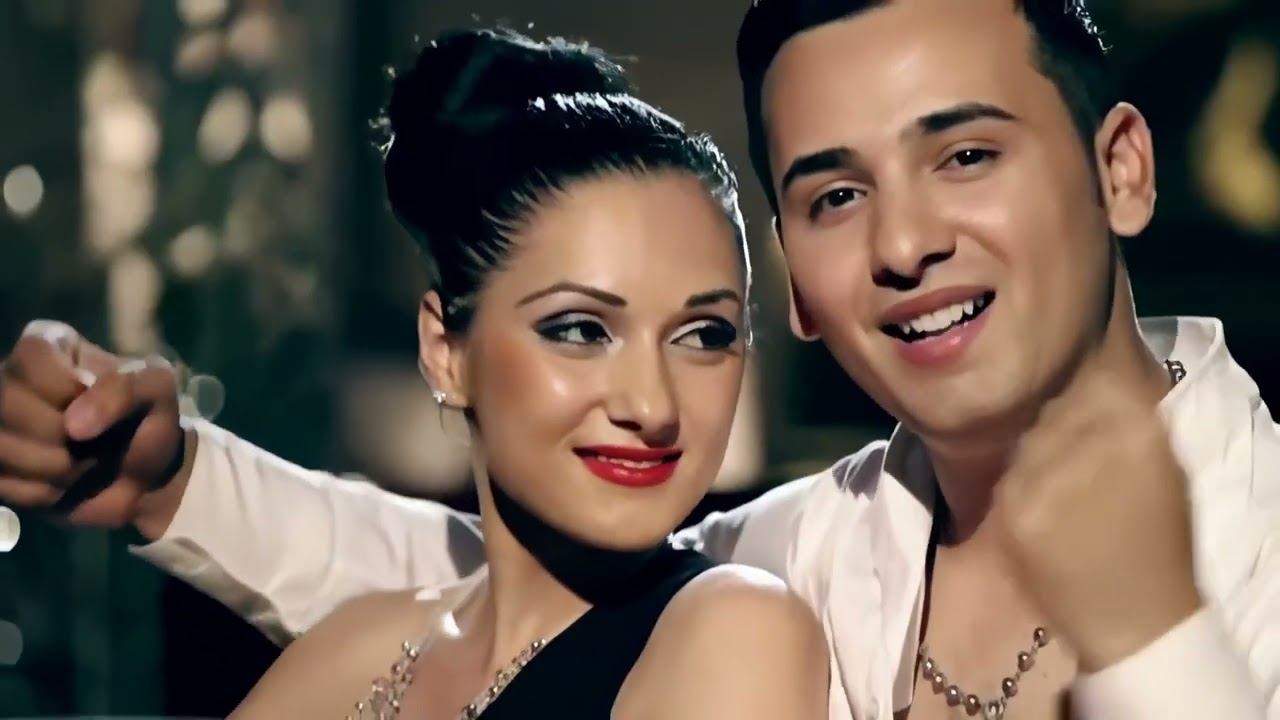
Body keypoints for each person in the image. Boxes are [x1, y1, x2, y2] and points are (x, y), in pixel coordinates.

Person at [1, 0, 1276, 718]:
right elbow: (507, 599)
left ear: (1121, 168)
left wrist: (1151, 638)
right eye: (834, 195)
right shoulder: (810, 545)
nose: (903, 243)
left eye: (965, 154)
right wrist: (178, 485)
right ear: (795, 282)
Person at [5, 27, 832, 720]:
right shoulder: (363, 643)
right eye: (580, 329)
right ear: (446, 350)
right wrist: (167, 475)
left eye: (704, 334)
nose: (652, 405)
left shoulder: (734, 627)